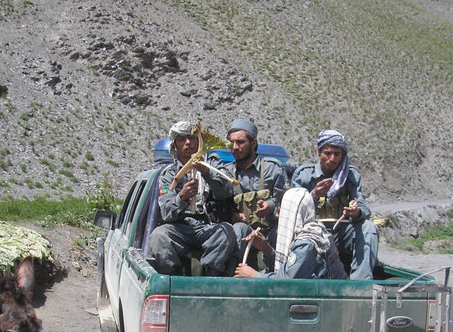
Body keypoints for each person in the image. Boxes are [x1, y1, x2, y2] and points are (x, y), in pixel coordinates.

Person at [148, 121, 237, 276]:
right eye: (182, 139)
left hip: (208, 226)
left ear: (199, 140)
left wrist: (207, 173)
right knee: (159, 236)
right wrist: (181, 197)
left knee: (227, 231)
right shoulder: (169, 175)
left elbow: (228, 191)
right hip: (181, 228)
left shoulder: (213, 164)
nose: (188, 142)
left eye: (192, 137)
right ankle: (173, 281)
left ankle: (210, 279)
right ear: (176, 145)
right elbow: (167, 213)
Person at [290, 129, 379, 280]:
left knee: (369, 228)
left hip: (341, 232)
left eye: (337, 154)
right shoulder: (303, 175)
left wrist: (356, 212)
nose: (332, 159)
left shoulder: (350, 176)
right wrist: (314, 195)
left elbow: (363, 207)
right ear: (319, 152)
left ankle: (360, 284)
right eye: (327, 153)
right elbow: (292, 210)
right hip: (313, 233)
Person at [208, 119, 288, 268]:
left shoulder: (273, 169)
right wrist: (232, 215)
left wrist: (270, 207)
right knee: (237, 229)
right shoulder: (226, 173)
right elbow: (218, 204)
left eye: (240, 142)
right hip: (242, 237)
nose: (235, 147)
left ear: (253, 143)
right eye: (231, 143)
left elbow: (286, 202)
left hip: (271, 234)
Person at [234, 187, 346, 280]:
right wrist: (266, 249)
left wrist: (253, 275)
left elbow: (286, 283)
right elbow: (288, 267)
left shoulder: (306, 244)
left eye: (281, 211)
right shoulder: (314, 232)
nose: (277, 215)